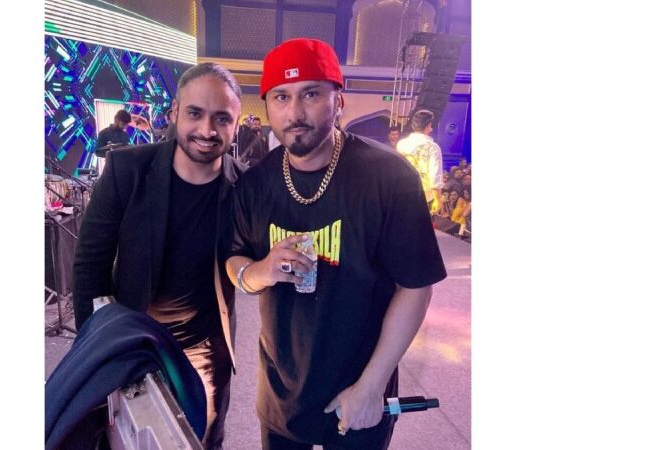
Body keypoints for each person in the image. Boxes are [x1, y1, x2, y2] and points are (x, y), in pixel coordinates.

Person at [224, 38, 447, 450]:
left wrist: (372, 385)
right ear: (267, 106)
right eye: (281, 97)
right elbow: (235, 260)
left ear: (338, 101)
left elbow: (416, 287)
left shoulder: (389, 178)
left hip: (360, 388)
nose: (295, 113)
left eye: (311, 94)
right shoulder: (255, 184)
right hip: (281, 392)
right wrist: (259, 271)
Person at [72, 62, 246, 450]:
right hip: (136, 339)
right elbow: (90, 266)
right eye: (195, 114)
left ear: (236, 125)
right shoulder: (128, 170)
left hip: (205, 349)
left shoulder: (245, 185)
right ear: (174, 113)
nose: (207, 130)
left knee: (201, 439)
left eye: (222, 118)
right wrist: (95, 349)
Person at [395, 109, 444, 214]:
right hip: (424, 195)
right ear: (428, 126)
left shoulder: (401, 144)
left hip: (402, 192)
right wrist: (438, 199)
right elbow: (435, 175)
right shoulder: (432, 147)